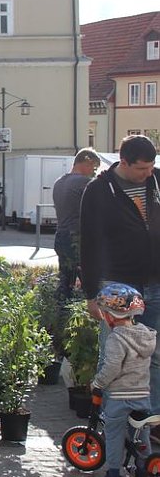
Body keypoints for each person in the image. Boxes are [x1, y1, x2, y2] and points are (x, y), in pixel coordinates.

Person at [81, 135, 160, 418]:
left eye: (151, 166)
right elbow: (89, 244)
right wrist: (91, 294)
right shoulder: (99, 191)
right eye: (142, 168)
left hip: (156, 282)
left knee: (156, 356)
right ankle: (113, 420)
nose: (148, 173)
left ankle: (151, 421)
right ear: (123, 162)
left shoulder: (157, 180)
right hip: (118, 285)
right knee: (115, 355)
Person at [91, 283, 155, 477]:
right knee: (141, 432)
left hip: (119, 397)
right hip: (143, 394)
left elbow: (111, 367)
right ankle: (145, 466)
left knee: (114, 434)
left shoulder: (116, 339)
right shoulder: (145, 335)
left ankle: (114, 471)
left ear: (109, 315)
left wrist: (98, 383)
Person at [52, 148, 101, 299]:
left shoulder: (59, 182)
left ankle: (61, 315)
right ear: (86, 162)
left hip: (61, 236)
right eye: (93, 168)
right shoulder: (85, 183)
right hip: (78, 239)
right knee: (92, 284)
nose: (93, 173)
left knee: (66, 282)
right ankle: (94, 317)